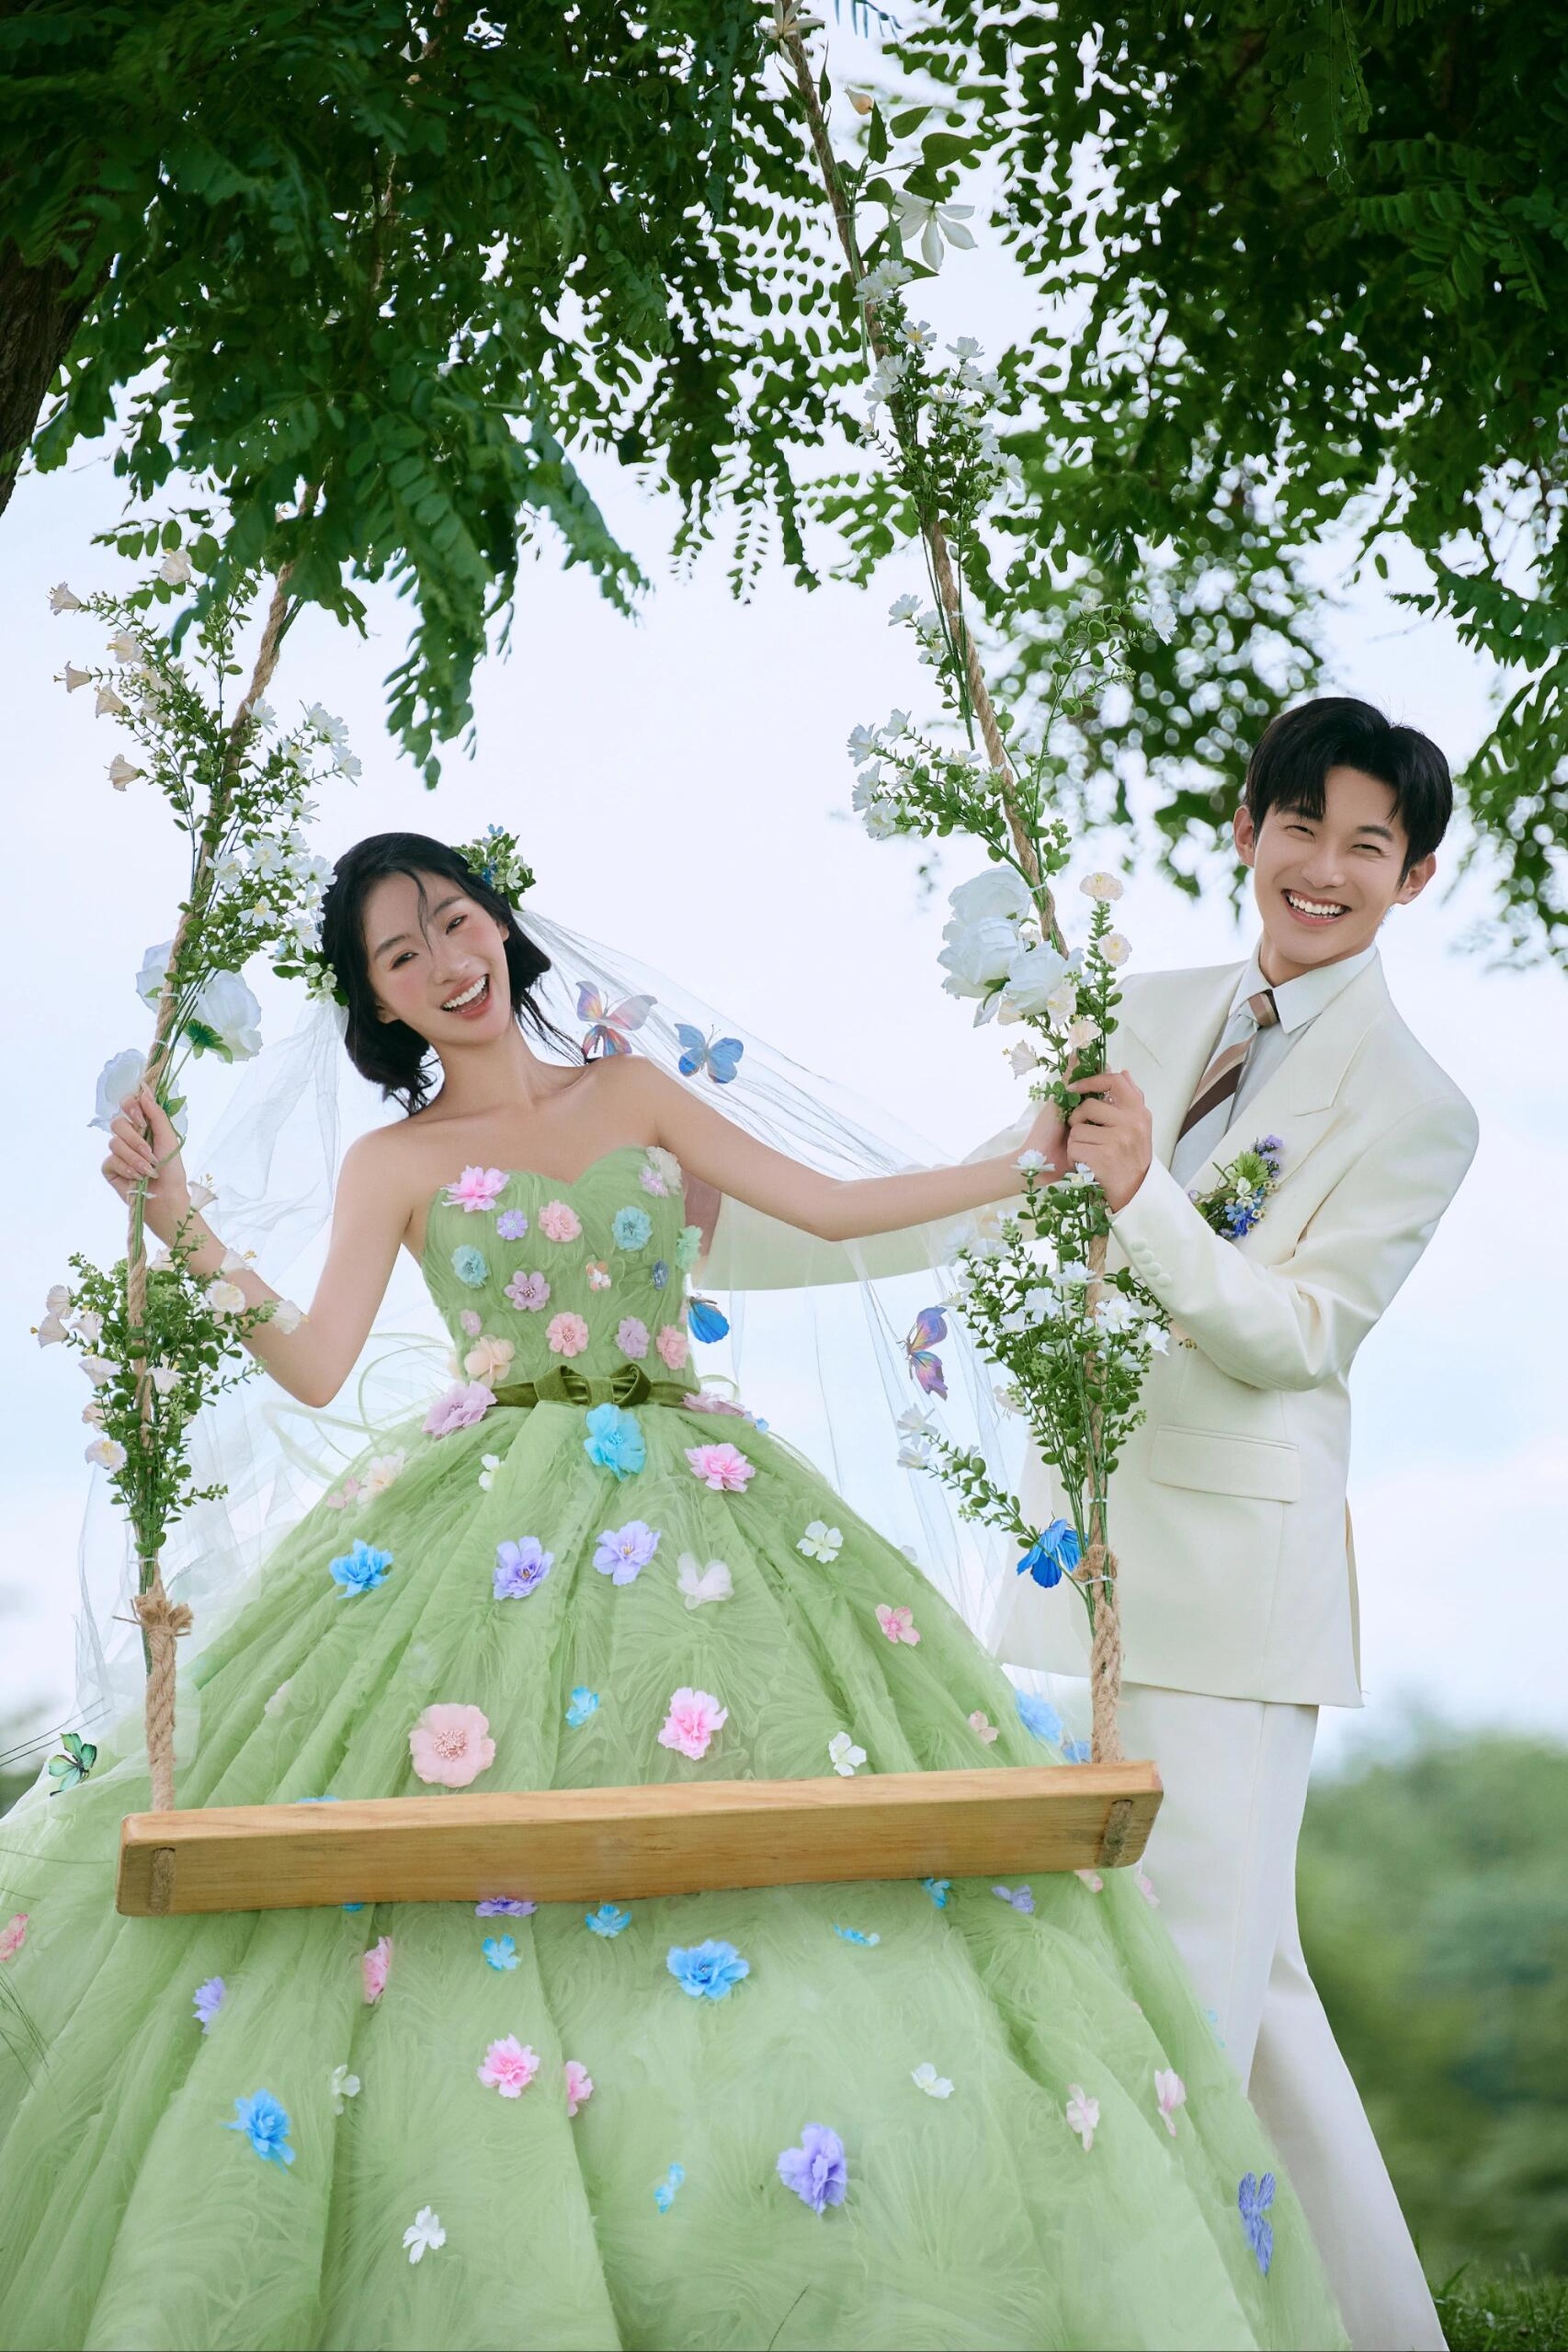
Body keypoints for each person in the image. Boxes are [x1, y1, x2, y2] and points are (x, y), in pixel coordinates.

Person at [0, 833, 1345, 2352]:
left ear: (499, 925)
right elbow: (316, 1361)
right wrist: (179, 1220)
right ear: (377, 1004)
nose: (445, 962)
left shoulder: (630, 1093)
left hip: (705, 1512)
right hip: (480, 1531)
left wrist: (1027, 1163)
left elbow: (830, 1209)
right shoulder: (394, 1164)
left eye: (455, 921)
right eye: (401, 956)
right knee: (464, 1864)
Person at [989, 699, 1479, 2352]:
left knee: (1188, 1987)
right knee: (1251, 1991)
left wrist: (1142, 1196)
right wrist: (698, 1213)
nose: (1324, 867)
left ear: (1413, 878)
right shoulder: (1138, 1011)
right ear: (1248, 829)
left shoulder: (1417, 1105)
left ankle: (1144, 2313)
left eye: (1368, 845)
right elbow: (987, 1191)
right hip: (1089, 1561)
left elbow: (1298, 1337)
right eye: (1301, 826)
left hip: (1236, 1597)